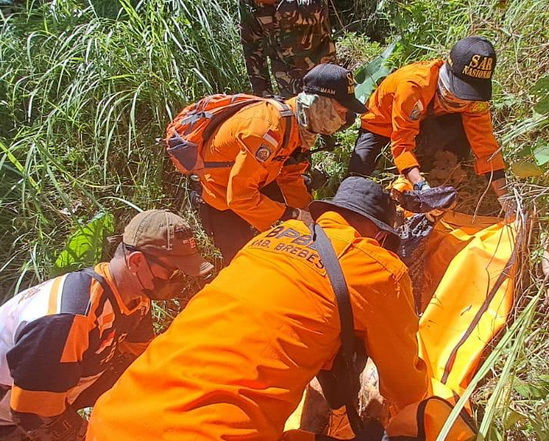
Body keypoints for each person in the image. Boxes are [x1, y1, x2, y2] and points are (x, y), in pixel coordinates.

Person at [86, 177, 430, 441]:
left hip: (113, 419)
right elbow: (406, 387)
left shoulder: (266, 241)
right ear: (382, 235)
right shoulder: (377, 265)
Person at [0, 209, 213, 441]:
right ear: (137, 261)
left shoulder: (136, 297)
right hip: (15, 414)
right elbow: (34, 416)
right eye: (174, 272)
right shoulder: (70, 318)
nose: (179, 281)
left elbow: (146, 360)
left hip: (49, 398)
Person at [196, 63, 368, 263]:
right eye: (342, 110)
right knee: (242, 261)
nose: (345, 119)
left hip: (259, 181)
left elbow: (291, 175)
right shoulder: (267, 130)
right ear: (320, 103)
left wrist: (311, 219)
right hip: (222, 196)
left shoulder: (300, 125)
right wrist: (292, 214)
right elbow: (239, 197)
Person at [348, 36, 511, 211]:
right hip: (381, 123)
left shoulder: (476, 100)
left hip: (427, 120)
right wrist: (421, 186)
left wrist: (507, 201)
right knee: (357, 174)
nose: (461, 101)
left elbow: (485, 145)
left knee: (455, 144)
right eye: (455, 93)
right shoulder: (413, 86)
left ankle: (438, 170)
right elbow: (402, 143)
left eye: (467, 96)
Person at [239, 0, 337, 98]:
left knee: (336, 111)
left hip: (323, 75)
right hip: (287, 84)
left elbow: (320, 10)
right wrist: (264, 95)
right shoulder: (248, 2)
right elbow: (252, 46)